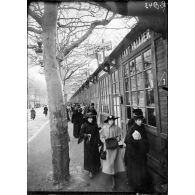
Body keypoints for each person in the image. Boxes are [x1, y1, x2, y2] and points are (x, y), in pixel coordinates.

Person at [124, 113, 152, 192]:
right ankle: (133, 184)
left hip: (141, 152)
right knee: (134, 169)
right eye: (138, 120)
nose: (140, 122)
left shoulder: (142, 127)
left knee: (141, 168)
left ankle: (141, 182)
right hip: (133, 153)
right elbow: (127, 140)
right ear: (135, 121)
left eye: (141, 120)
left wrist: (142, 141)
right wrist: (137, 141)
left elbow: (145, 138)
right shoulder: (132, 128)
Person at [100, 115, 125, 190]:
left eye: (113, 120)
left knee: (115, 161)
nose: (112, 121)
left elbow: (121, 135)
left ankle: (114, 174)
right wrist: (105, 141)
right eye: (110, 120)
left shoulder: (117, 128)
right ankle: (112, 176)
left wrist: (118, 139)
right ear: (108, 121)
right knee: (109, 163)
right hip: (107, 148)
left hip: (115, 148)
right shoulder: (104, 128)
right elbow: (101, 137)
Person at [78, 112, 101, 179]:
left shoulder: (95, 124)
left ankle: (96, 167)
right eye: (89, 118)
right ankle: (91, 171)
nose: (91, 119)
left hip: (94, 142)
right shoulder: (84, 125)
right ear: (87, 119)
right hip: (88, 144)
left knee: (96, 155)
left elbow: (97, 133)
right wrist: (86, 135)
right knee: (89, 157)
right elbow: (81, 134)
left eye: (91, 118)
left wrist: (98, 141)